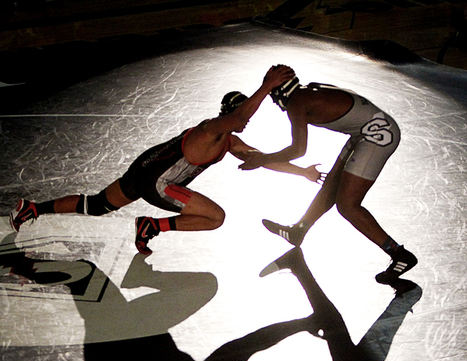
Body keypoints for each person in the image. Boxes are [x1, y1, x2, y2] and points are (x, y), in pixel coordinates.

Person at [9, 66, 324, 256]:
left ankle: (33, 208)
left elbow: (264, 160)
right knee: (216, 217)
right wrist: (267, 86)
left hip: (144, 168)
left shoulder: (228, 140)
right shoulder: (213, 128)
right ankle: (152, 226)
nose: (246, 121)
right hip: (161, 183)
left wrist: (302, 173)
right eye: (239, 116)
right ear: (227, 114)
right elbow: (240, 115)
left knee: (97, 205)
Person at [239, 67, 417, 286]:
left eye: (271, 95)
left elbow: (298, 150)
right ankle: (298, 232)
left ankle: (399, 254)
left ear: (278, 92)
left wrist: (262, 159)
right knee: (330, 187)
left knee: (347, 205)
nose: (274, 102)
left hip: (376, 136)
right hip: (366, 132)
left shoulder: (297, 103)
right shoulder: (306, 91)